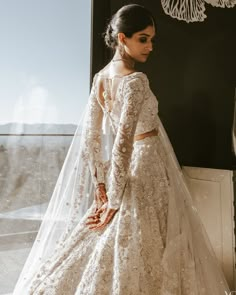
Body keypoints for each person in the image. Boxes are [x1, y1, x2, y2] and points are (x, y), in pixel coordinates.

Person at [13, 4, 230, 295]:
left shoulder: (100, 78)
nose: (150, 46)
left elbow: (91, 140)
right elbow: (122, 145)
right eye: (143, 38)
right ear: (122, 39)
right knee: (146, 241)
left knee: (125, 240)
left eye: (152, 39)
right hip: (147, 166)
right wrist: (112, 201)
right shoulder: (136, 81)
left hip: (131, 170)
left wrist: (102, 187)